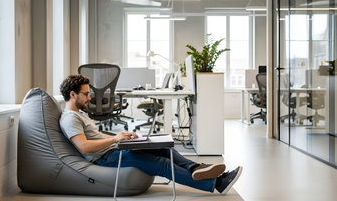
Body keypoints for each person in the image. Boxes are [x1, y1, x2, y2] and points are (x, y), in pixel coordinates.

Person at [59, 74, 243, 194]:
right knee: (161, 164)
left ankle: (196, 168)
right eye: (86, 94)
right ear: (73, 95)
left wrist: (119, 137)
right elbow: (84, 146)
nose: (90, 97)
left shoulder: (79, 114)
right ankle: (217, 183)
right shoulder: (70, 118)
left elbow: (95, 137)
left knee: (164, 149)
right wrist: (115, 139)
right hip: (105, 158)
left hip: (113, 149)